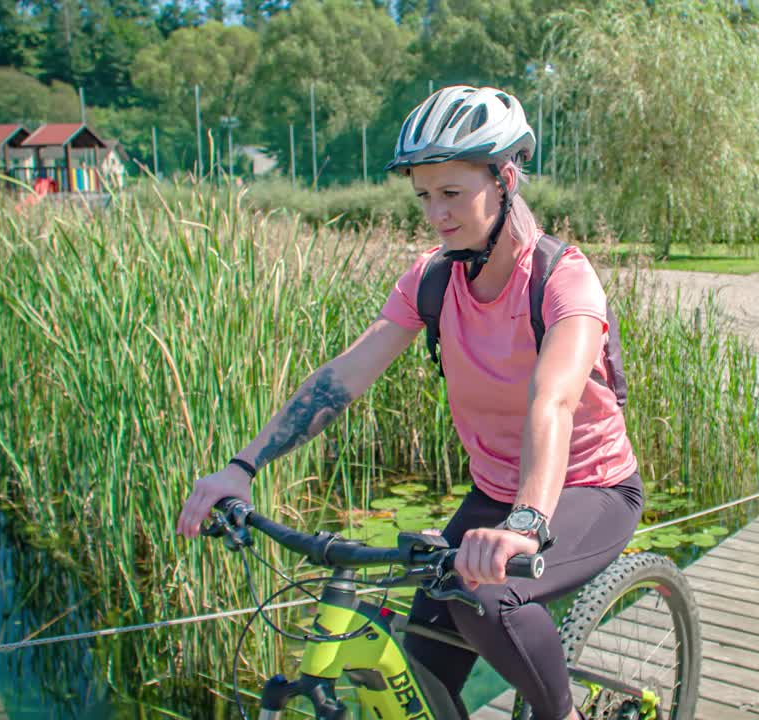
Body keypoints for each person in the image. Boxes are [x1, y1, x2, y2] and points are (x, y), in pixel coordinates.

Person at [176, 85, 641, 720]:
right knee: (423, 655)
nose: (436, 213)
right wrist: (242, 466)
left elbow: (552, 402)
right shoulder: (432, 279)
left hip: (589, 488)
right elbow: (344, 377)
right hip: (493, 493)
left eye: (452, 194)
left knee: (485, 598)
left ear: (504, 179)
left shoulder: (563, 278)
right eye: (424, 196)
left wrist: (526, 524)